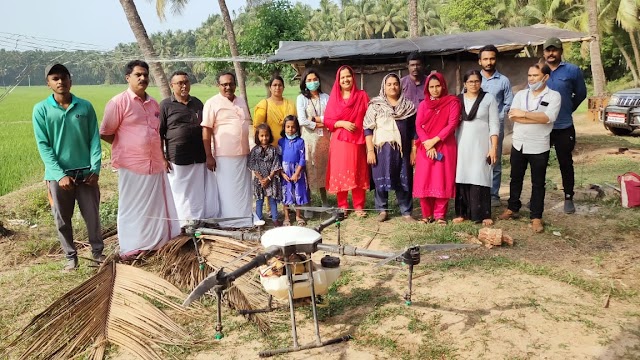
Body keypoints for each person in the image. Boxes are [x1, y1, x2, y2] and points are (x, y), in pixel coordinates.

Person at [100, 60, 180, 258]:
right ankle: (132, 246)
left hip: (154, 163)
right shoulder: (118, 102)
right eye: (138, 75)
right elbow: (105, 132)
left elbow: (156, 133)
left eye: (145, 74)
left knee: (155, 205)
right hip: (132, 164)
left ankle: (156, 243)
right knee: (132, 207)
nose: (143, 78)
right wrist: (128, 147)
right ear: (128, 78)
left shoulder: (153, 104)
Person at [33, 63, 104, 271]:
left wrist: (95, 169)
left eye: (64, 77)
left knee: (92, 215)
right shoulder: (41, 109)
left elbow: (94, 140)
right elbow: (43, 145)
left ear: (70, 80)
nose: (60, 81)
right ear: (48, 84)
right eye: (55, 78)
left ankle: (98, 253)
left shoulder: (85, 106)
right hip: (58, 176)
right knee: (62, 218)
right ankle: (70, 257)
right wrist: (59, 174)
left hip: (86, 173)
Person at [499, 64, 561, 233]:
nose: (531, 78)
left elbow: (549, 117)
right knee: (515, 177)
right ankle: (512, 208)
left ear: (545, 77)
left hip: (539, 144)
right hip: (519, 143)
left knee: (538, 182)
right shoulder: (520, 94)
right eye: (529, 75)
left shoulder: (554, 96)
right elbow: (512, 115)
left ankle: (536, 216)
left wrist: (524, 115)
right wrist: (534, 118)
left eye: (535, 75)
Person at [159, 71, 218, 225]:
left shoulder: (197, 103)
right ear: (172, 86)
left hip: (198, 156)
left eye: (186, 82)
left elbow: (206, 128)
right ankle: (182, 223)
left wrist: (208, 154)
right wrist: (162, 158)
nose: (184, 86)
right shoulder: (165, 105)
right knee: (180, 193)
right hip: (177, 158)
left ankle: (197, 222)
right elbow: (159, 133)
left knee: (197, 192)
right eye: (180, 83)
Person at [201, 71, 253, 228]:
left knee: (244, 188)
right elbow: (206, 130)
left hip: (244, 152)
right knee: (227, 189)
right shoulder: (212, 103)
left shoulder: (241, 101)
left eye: (230, 84)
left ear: (235, 85)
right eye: (224, 84)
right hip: (225, 155)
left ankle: (244, 219)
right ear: (218, 86)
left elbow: (248, 125)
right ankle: (229, 222)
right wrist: (208, 155)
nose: (228, 87)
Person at [363, 73, 417, 222]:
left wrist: (413, 150)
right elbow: (368, 128)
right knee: (380, 179)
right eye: (389, 84)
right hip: (381, 151)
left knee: (404, 179)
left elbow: (414, 130)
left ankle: (406, 212)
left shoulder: (408, 106)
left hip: (402, 151)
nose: (393, 87)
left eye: (395, 84)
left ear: (400, 86)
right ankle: (382, 210)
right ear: (384, 87)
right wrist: (370, 150)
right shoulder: (375, 106)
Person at [543, 37, 587, 214]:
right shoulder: (540, 71)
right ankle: (537, 197)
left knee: (565, 163)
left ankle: (568, 197)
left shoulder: (572, 70)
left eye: (554, 50)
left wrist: (567, 107)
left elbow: (581, 94)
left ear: (561, 51)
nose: (551, 53)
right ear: (544, 52)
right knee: (539, 163)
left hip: (563, 125)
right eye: (548, 50)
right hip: (542, 126)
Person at [412, 72, 461, 225]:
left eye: (438, 86)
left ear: (443, 86)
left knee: (442, 178)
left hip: (444, 145)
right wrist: (427, 143)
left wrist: (434, 141)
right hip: (425, 147)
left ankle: (440, 215)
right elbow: (418, 126)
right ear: (427, 88)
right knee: (425, 178)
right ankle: (426, 215)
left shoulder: (452, 102)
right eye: (431, 87)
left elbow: (452, 124)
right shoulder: (423, 105)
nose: (435, 90)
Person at [453, 70, 499, 226]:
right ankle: (461, 213)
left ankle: (483, 214)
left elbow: (494, 123)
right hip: (462, 143)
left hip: (481, 144)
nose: (474, 84)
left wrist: (493, 147)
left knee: (480, 175)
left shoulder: (488, 99)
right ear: (465, 84)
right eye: (470, 81)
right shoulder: (458, 100)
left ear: (481, 82)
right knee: (462, 174)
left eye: (477, 81)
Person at [324, 65, 370, 217]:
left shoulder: (362, 96)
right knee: (341, 172)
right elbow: (328, 121)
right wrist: (342, 123)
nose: (345, 80)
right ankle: (343, 206)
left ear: (353, 77)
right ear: (338, 80)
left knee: (357, 170)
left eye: (348, 76)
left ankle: (358, 207)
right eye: (342, 77)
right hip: (340, 141)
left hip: (357, 140)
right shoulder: (334, 98)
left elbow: (369, 117)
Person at [477, 45, 514, 208]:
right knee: (477, 159)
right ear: (480, 61)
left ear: (496, 60)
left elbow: (508, 102)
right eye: (485, 59)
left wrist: (498, 116)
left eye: (492, 58)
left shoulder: (503, 81)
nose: (489, 62)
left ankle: (493, 195)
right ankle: (478, 193)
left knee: (494, 161)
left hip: (496, 128)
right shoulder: (474, 79)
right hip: (477, 127)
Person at [296, 68, 330, 209]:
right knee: (309, 169)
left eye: (315, 79)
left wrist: (315, 120)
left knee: (323, 168)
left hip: (324, 140)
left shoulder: (325, 97)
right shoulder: (301, 99)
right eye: (309, 80)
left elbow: (330, 118)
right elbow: (302, 120)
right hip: (308, 139)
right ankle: (308, 203)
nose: (312, 82)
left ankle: (325, 200)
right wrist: (320, 123)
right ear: (304, 82)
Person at [248, 124, 282, 226]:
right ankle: (259, 220)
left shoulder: (273, 150)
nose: (264, 138)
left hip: (271, 180)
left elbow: (276, 165)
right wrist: (261, 179)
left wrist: (268, 178)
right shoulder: (255, 150)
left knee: (272, 200)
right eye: (262, 136)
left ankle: (275, 219)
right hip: (259, 181)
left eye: (266, 135)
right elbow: (252, 164)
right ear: (257, 137)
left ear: (270, 136)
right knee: (259, 200)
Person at [279, 116, 309, 226]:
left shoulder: (301, 142)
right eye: (288, 127)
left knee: (298, 193)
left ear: (297, 128)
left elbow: (302, 158)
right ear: (284, 128)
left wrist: (297, 172)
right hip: (285, 171)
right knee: (285, 193)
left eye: (293, 127)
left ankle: (298, 216)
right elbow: (278, 157)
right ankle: (286, 217)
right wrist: (282, 173)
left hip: (297, 171)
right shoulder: (281, 142)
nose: (290, 129)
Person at [254, 75, 297, 145]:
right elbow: (258, 128)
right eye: (275, 85)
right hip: (270, 146)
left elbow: (295, 125)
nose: (277, 87)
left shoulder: (290, 104)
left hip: (289, 145)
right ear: (270, 88)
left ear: (283, 88)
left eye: (280, 85)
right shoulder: (264, 104)